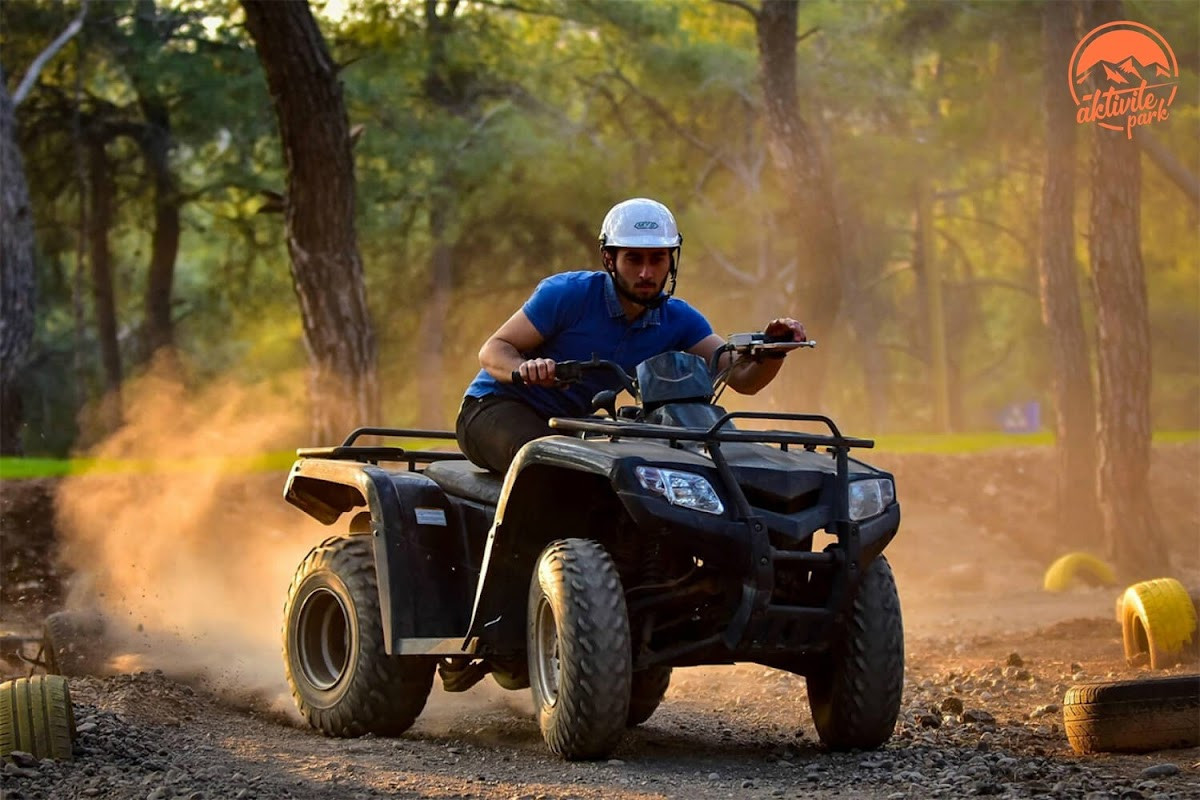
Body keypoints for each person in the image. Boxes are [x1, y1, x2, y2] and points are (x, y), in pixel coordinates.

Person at [456, 197, 806, 473]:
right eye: (634, 259)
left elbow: (740, 376)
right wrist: (524, 370)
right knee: (550, 466)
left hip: (569, 425)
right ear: (609, 259)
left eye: (657, 259)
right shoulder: (567, 294)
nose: (646, 273)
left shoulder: (677, 318)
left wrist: (774, 350)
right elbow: (493, 349)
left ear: (671, 260)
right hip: (494, 409)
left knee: (638, 476)